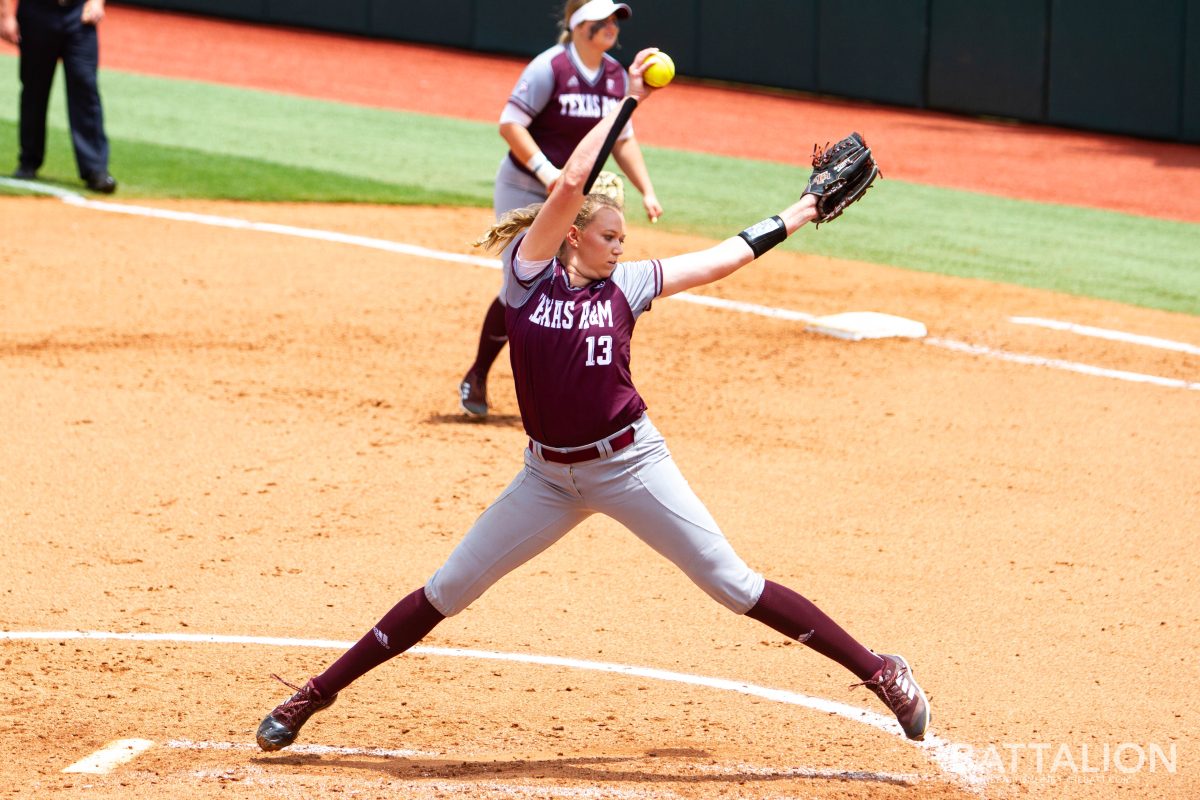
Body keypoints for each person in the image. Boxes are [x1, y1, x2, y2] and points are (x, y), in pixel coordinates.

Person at [257, 49, 928, 754]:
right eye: (608, 236)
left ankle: (880, 671)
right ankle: (314, 695)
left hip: (630, 463)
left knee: (732, 583)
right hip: (546, 478)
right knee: (448, 588)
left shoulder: (630, 286)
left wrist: (803, 208)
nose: (618, 248)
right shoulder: (526, 277)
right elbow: (574, 177)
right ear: (571, 232)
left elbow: (725, 255)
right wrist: (629, 98)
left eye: (623, 240)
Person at [459, 0, 662, 419]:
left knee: (571, 283)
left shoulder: (614, 77)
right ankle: (477, 374)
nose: (611, 27)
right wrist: (546, 171)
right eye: (602, 20)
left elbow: (622, 139)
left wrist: (647, 189)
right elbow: (510, 123)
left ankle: (564, 387)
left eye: (615, 21)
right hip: (524, 186)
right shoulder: (550, 67)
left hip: (571, 196)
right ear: (579, 24)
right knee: (520, 283)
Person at [0, 0, 117, 193]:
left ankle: (95, 169)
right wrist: (5, 15)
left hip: (79, 14)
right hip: (36, 12)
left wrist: (97, 2)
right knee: (34, 88)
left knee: (85, 85)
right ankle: (29, 161)